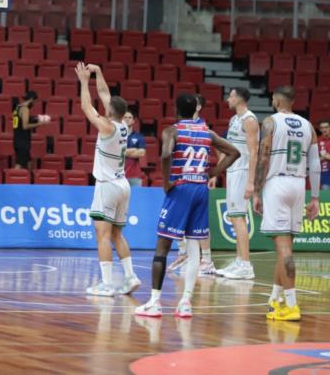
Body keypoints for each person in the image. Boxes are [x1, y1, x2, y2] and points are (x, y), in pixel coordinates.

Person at [135, 93, 240, 318]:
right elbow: (234, 152)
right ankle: (185, 303)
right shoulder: (207, 132)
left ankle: (154, 302)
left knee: (162, 246)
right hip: (201, 189)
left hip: (181, 188)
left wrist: (166, 182)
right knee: (195, 249)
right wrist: (212, 173)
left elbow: (165, 154)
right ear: (195, 110)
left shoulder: (172, 130)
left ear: (176, 109)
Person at [253, 86, 320, 322]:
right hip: (299, 185)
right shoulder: (308, 125)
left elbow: (263, 157)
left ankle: (291, 304)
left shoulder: (270, 122)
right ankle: (275, 300)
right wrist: (316, 198)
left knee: (284, 250)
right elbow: (316, 163)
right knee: (284, 247)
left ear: (277, 99)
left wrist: (257, 190)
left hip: (277, 183)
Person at [75, 63, 141, 297]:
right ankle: (131, 277)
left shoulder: (106, 127)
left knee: (102, 235)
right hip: (123, 184)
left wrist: (84, 81)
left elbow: (86, 106)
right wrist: (99, 71)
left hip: (107, 186)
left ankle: (106, 284)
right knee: (117, 235)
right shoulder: (123, 125)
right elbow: (105, 94)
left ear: (110, 112)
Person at [167, 94, 218, 275]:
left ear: (197, 107)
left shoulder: (203, 127)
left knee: (199, 223)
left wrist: (213, 173)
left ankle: (207, 260)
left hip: (196, 180)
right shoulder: (179, 127)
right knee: (180, 219)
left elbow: (220, 149)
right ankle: (183, 254)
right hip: (181, 179)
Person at [217, 87, 259, 280]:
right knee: (234, 217)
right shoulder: (235, 120)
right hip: (233, 171)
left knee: (239, 217)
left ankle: (246, 265)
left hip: (243, 173)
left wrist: (251, 182)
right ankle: (240, 260)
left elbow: (253, 153)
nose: (228, 99)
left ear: (239, 99)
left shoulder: (249, 120)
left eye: (231, 96)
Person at [11, 91, 51, 170]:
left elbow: (20, 120)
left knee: (29, 164)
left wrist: (36, 118)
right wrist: (40, 124)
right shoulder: (25, 109)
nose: (35, 104)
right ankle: (10, 180)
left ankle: (30, 180)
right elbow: (25, 126)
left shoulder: (17, 107)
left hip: (18, 139)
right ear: (31, 100)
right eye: (35, 101)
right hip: (23, 141)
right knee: (19, 165)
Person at [122, 111, 146, 187]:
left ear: (133, 121)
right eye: (125, 117)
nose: (127, 119)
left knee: (135, 198)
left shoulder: (139, 136)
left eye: (130, 117)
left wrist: (123, 152)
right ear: (122, 120)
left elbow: (142, 153)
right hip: (119, 175)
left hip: (134, 175)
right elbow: (115, 152)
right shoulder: (117, 135)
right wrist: (134, 150)